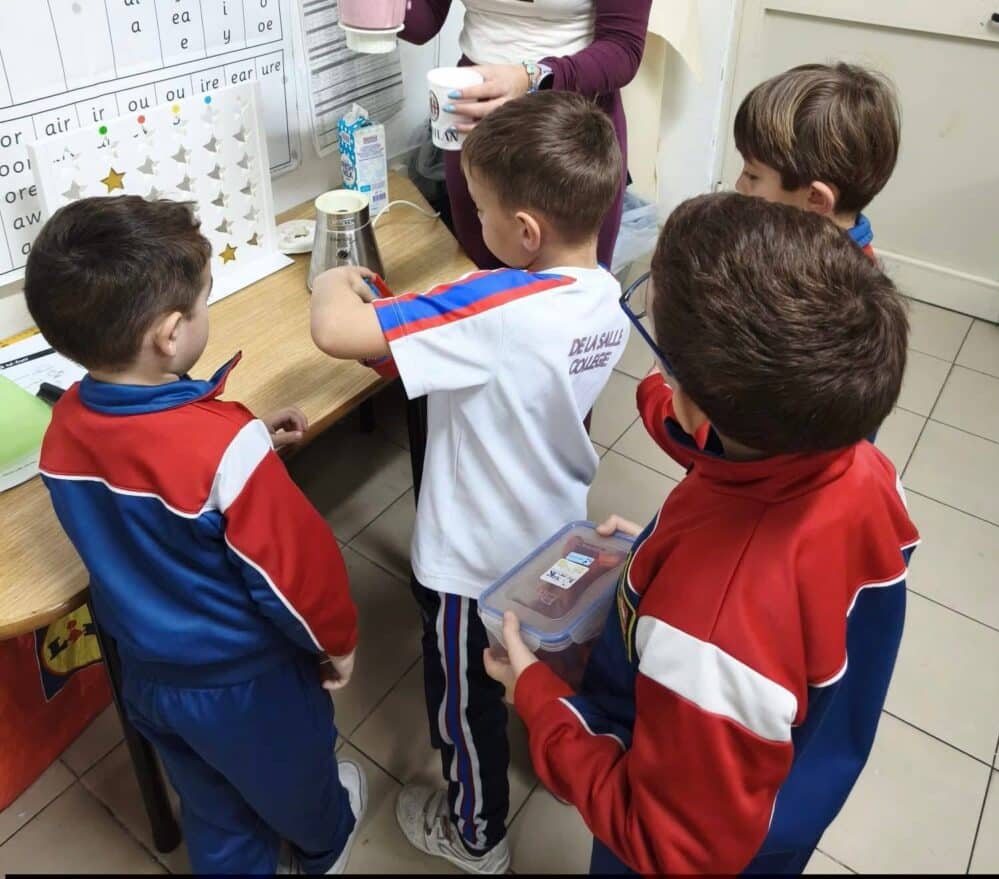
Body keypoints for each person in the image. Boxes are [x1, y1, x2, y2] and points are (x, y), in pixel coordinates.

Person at [484, 193, 920, 875]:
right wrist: (665, 552)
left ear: (689, 401)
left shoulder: (711, 637)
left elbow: (664, 842)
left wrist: (539, 699)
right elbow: (792, 581)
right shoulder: (864, 468)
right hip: (785, 800)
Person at [309, 91, 630, 874]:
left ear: (524, 231)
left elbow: (335, 330)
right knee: (546, 661)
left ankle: (476, 832)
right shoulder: (606, 294)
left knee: (463, 696)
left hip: (472, 563)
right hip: (556, 539)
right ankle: (568, 763)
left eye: (479, 210)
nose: (473, 222)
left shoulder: (493, 303)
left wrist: (330, 277)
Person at [24, 196, 366, 876]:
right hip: (245, 683)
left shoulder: (62, 427)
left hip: (149, 675)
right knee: (296, 779)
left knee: (210, 800)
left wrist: (246, 443)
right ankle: (327, 846)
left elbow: (143, 489)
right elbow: (297, 576)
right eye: (206, 300)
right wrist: (339, 643)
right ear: (172, 334)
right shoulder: (224, 451)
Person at [401, 0, 653, 269]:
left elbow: (622, 48)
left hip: (569, 122)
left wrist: (532, 78)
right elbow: (424, 20)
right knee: (485, 273)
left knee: (573, 284)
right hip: (476, 110)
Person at [733, 62, 901, 263]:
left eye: (752, 176)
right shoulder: (785, 240)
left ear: (816, 198)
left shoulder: (825, 280)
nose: (739, 185)